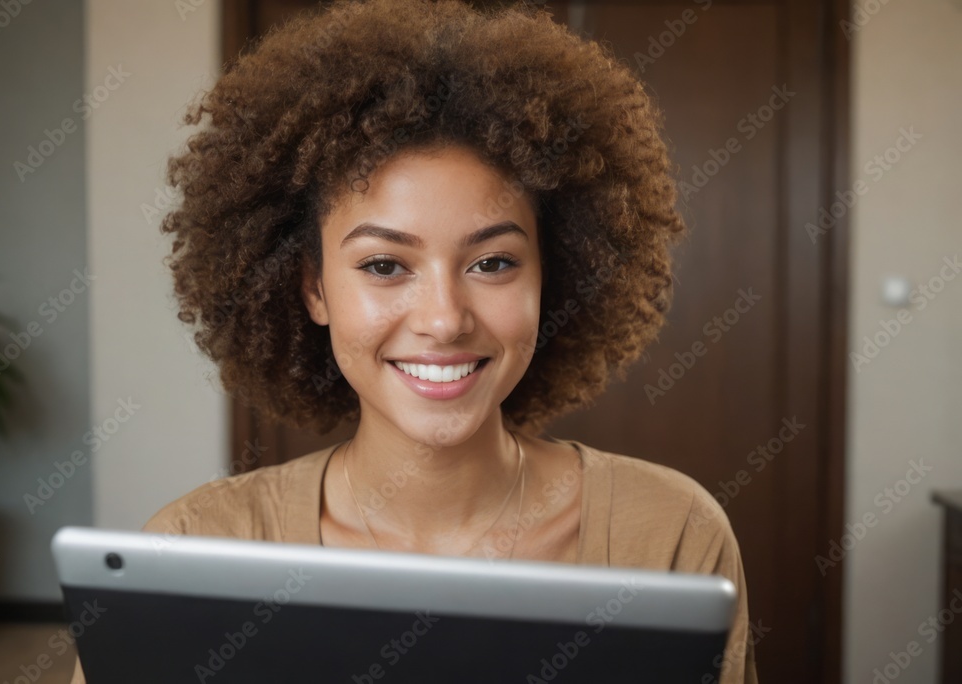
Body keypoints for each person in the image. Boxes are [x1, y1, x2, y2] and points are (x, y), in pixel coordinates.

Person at [69, 0, 758, 681]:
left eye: (492, 263)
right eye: (384, 266)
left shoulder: (672, 534)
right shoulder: (193, 552)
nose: (444, 318)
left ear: (557, 274)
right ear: (313, 289)